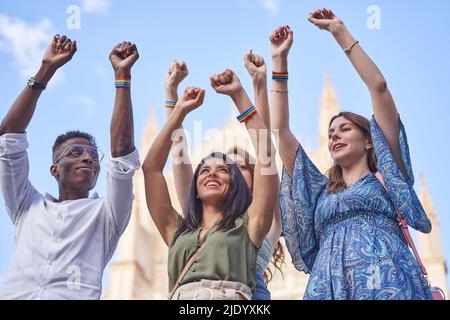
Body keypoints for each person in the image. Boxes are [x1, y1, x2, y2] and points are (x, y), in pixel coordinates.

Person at [272, 10, 432, 300]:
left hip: (387, 282)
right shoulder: (319, 191)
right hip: (328, 285)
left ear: (370, 141)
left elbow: (379, 88)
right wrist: (279, 62)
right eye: (331, 131)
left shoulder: (388, 176)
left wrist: (339, 31)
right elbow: (281, 132)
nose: (334, 135)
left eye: (345, 128)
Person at [0, 36, 140, 299]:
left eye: (92, 155)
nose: (88, 158)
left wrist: (123, 77)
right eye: (75, 152)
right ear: (55, 169)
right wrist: (46, 70)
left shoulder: (107, 215)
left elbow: (122, 156)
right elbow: (8, 138)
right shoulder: (25, 206)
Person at [142, 69, 278, 300]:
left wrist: (240, 94)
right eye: (204, 170)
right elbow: (153, 168)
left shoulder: (249, 226)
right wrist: (178, 109)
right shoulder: (180, 231)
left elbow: (266, 152)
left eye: (227, 169)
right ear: (195, 187)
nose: (212, 174)